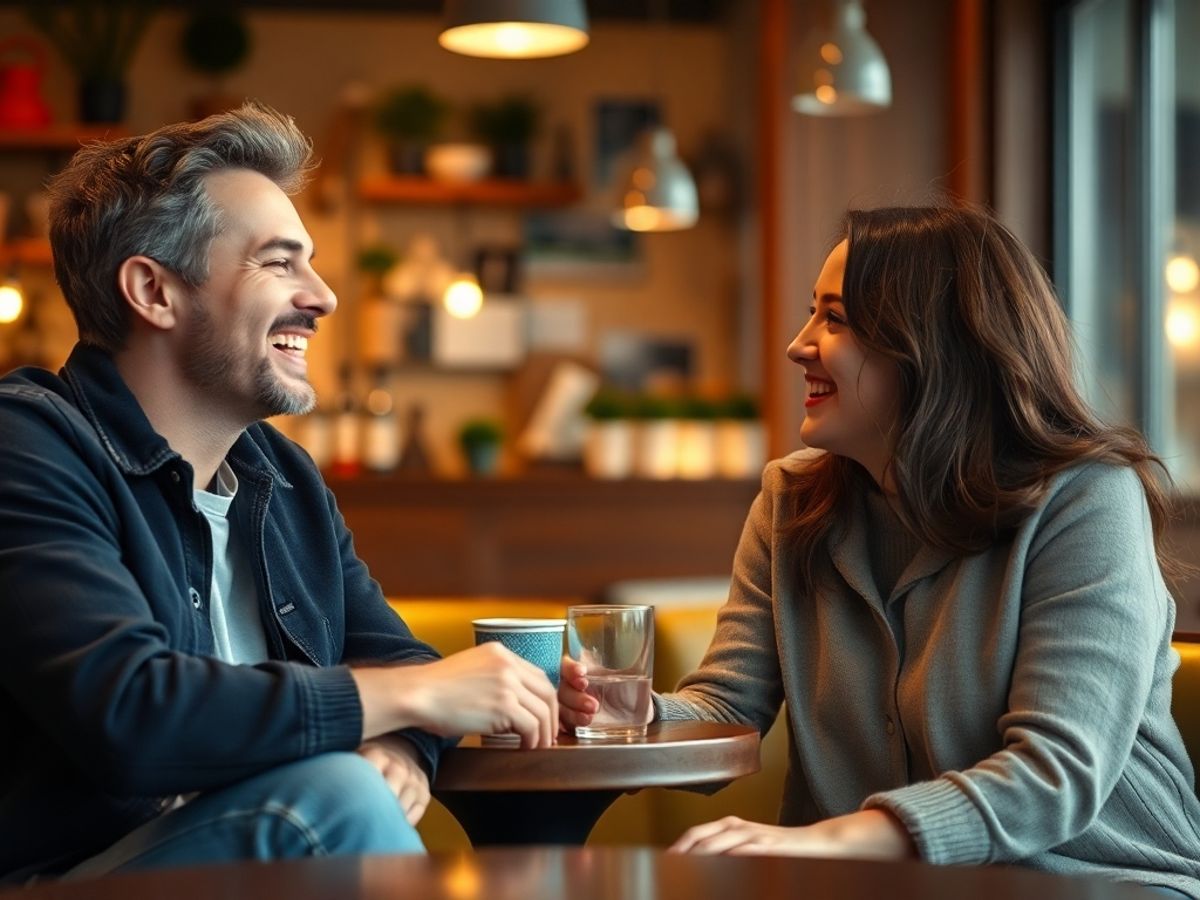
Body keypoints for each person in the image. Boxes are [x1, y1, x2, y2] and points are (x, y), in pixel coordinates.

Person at [561, 206, 1200, 897]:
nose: (798, 344)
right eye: (813, 313)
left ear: (931, 346)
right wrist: (619, 711)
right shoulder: (790, 501)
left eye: (834, 318)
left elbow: (1054, 774)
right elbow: (727, 707)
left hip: (1098, 879)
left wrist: (825, 842)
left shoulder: (1086, 499)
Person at [0, 103, 558, 884]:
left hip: (245, 865)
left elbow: (394, 656)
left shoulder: (280, 476)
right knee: (330, 799)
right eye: (277, 262)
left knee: (350, 791)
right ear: (153, 291)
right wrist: (408, 700)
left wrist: (399, 743)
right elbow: (132, 714)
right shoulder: (29, 446)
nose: (324, 296)